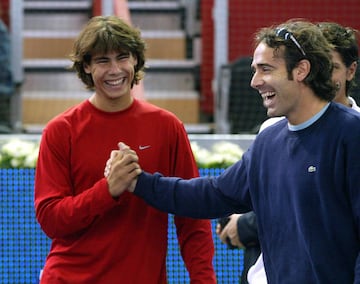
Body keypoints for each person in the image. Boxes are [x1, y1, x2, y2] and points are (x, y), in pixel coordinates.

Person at [107, 19, 360, 283]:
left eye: (265, 69)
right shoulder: (268, 141)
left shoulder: (351, 134)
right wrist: (138, 182)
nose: (254, 81)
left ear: (301, 70)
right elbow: (212, 194)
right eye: (255, 70)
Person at [34, 15, 216, 283]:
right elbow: (51, 220)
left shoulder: (167, 126)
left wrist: (204, 280)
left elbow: (191, 215)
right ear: (86, 67)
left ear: (135, 61)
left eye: (123, 57)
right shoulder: (60, 130)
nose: (115, 70)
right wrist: (107, 190)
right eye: (102, 61)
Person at [217, 21, 360, 284]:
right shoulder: (271, 132)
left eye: (331, 67)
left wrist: (246, 225)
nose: (320, 74)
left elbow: (319, 214)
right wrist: (143, 183)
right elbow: (226, 193)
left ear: (351, 71)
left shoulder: (352, 134)